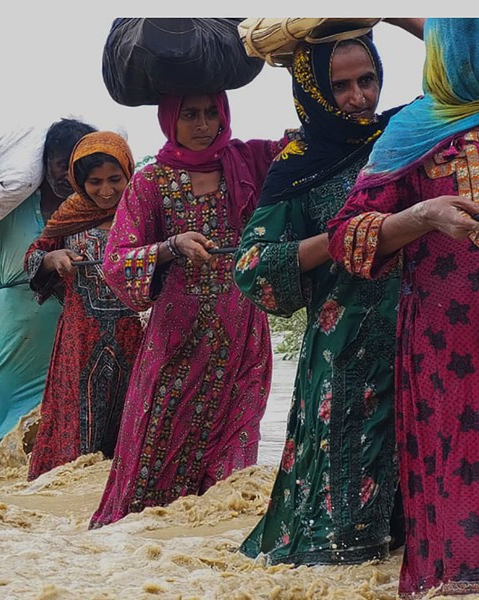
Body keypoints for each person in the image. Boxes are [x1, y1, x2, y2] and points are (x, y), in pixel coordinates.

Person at [234, 31, 417, 565]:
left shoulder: (406, 134)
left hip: (421, 343)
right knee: (340, 547)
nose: (360, 97)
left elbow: (469, 77)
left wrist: (404, 18)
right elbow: (253, 265)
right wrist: (343, 238)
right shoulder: (299, 162)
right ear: (313, 89)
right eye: (341, 86)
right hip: (346, 358)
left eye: (369, 80)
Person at [327, 18, 479, 598]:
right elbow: (346, 237)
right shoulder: (415, 131)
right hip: (449, 349)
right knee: (459, 488)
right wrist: (422, 217)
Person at [89, 93, 286, 528]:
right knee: (154, 456)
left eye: (211, 112)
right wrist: (168, 247)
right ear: (170, 120)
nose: (203, 124)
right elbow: (116, 260)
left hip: (242, 337)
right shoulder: (150, 182)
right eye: (190, 115)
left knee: (235, 458)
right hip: (176, 341)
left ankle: (218, 557)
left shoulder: (251, 161)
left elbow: (309, 147)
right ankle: (136, 551)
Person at [0, 117, 97, 442]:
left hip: (75, 332)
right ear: (42, 164)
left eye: (75, 167)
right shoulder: (11, 204)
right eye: (59, 165)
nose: (67, 176)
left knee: (67, 441)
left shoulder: (94, 205)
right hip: (14, 335)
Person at [23, 131, 145, 480]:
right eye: (94, 182)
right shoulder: (69, 214)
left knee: (130, 420)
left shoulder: (143, 210)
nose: (105, 190)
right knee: (76, 424)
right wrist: (53, 258)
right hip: (80, 336)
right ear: (80, 181)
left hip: (135, 333)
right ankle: (69, 496)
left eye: (114, 180)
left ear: (128, 173)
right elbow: (33, 255)